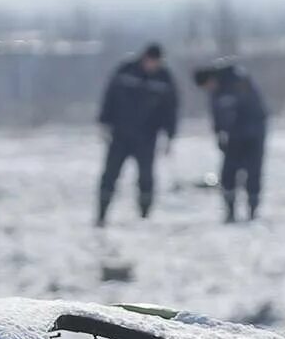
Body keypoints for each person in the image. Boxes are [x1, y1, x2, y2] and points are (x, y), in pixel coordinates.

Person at [95, 43, 179, 224]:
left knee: (146, 177)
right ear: (144, 58)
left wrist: (170, 135)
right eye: (150, 61)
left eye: (155, 62)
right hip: (120, 134)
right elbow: (109, 96)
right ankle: (101, 214)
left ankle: (144, 215)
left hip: (147, 137)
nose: (152, 65)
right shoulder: (126, 71)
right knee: (110, 175)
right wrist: (103, 121)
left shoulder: (164, 78)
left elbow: (171, 109)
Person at [193, 61, 269, 222]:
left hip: (252, 136)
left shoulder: (238, 81)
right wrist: (219, 135)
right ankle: (230, 211)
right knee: (228, 175)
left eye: (207, 85)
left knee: (253, 174)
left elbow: (253, 110)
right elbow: (217, 117)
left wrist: (245, 133)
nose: (208, 90)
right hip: (232, 139)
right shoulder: (215, 92)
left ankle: (252, 210)